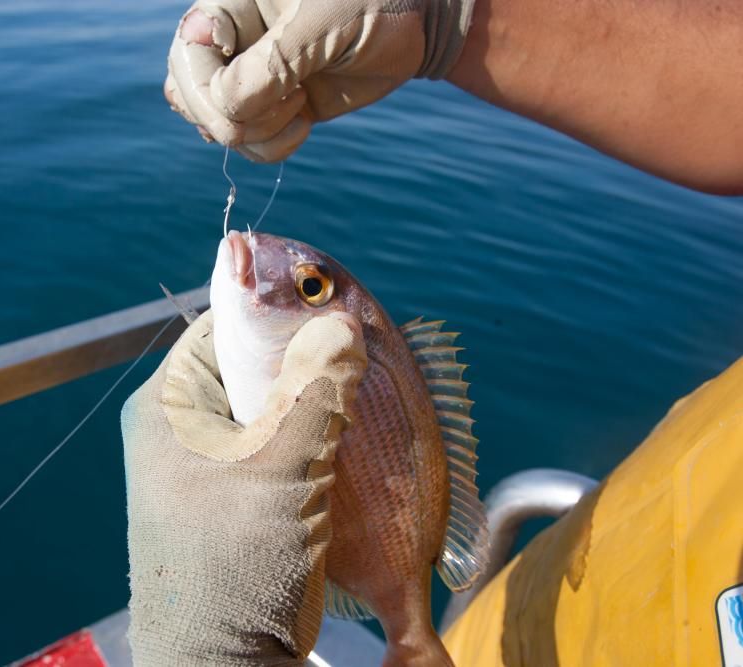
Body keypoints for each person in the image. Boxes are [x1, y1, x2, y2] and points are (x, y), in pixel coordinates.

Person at [122, 1, 743, 664]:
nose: (284, 274)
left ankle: (410, 635)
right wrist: (446, 18)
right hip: (635, 540)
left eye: (311, 288)